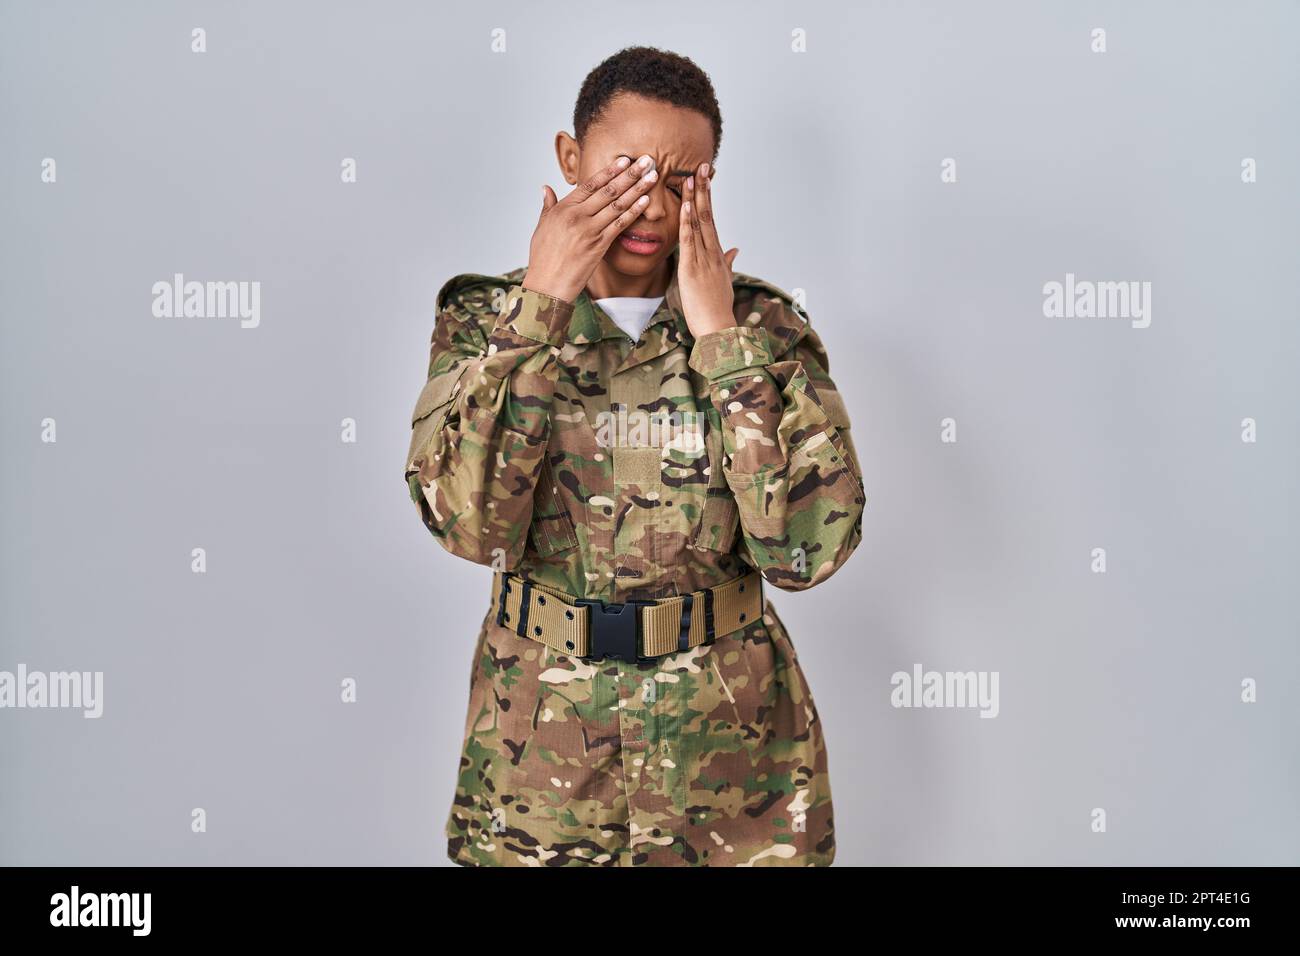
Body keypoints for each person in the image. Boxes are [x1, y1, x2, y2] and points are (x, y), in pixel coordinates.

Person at [404, 46, 865, 866]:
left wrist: (722, 344)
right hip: (539, 760)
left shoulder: (766, 332)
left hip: (731, 754)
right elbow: (469, 528)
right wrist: (540, 311)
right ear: (569, 159)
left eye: (684, 181)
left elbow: (806, 551)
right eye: (629, 170)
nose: (654, 204)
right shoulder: (484, 321)